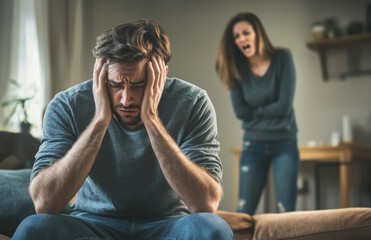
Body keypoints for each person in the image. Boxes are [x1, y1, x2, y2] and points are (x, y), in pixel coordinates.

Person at [13, 19, 234, 240]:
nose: (126, 99)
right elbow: (44, 202)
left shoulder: (193, 103)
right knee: (34, 227)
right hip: (92, 224)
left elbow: (205, 202)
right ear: (100, 74)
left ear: (161, 75)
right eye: (116, 85)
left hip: (168, 224)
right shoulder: (66, 105)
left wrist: (152, 120)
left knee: (212, 228)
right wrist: (99, 120)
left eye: (138, 85)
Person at [215, 12, 300, 215]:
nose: (241, 38)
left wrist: (256, 113)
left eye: (246, 32)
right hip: (253, 146)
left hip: (285, 144)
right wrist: (267, 111)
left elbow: (284, 107)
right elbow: (241, 112)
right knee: (243, 212)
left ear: (257, 33)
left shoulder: (283, 59)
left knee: (286, 212)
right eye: (236, 36)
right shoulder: (235, 68)